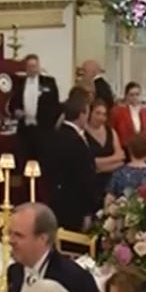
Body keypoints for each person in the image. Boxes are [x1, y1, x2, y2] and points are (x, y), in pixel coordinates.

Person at [3, 202, 111, 292]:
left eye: (18, 235)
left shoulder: (75, 279)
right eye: (10, 233)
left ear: (43, 239)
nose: (10, 240)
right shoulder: (15, 272)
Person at [45, 95, 98, 230]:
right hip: (76, 207)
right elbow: (85, 179)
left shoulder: (54, 135)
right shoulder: (77, 142)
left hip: (56, 201)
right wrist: (88, 212)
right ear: (81, 114)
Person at [8, 54, 60, 168]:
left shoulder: (49, 82)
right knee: (25, 163)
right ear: (25, 68)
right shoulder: (19, 84)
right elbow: (12, 104)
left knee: (43, 165)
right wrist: (16, 111)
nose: (33, 69)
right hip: (25, 131)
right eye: (30, 66)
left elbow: (55, 105)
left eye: (35, 66)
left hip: (43, 131)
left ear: (38, 67)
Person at [85, 98, 125, 201]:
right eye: (97, 113)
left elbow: (121, 158)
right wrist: (113, 160)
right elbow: (88, 162)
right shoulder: (83, 133)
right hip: (92, 184)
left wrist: (99, 165)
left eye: (104, 114)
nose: (101, 117)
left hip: (111, 183)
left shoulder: (110, 131)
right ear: (90, 113)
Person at [110, 81, 146, 146]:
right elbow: (112, 130)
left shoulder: (144, 111)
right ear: (126, 96)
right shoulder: (118, 111)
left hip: (140, 146)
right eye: (131, 95)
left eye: (137, 94)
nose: (135, 97)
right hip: (124, 146)